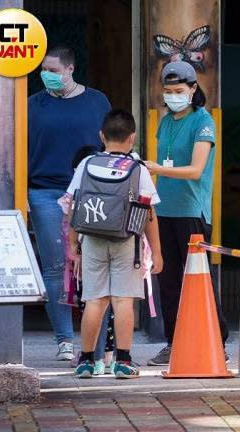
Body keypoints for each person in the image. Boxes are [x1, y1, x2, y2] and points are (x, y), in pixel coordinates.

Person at [28, 46, 111, 361]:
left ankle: (96, 348)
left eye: (53, 69)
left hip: (90, 193)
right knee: (55, 266)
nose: (47, 75)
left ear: (70, 69)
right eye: (44, 70)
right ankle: (64, 340)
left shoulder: (97, 102)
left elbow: (109, 144)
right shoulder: (32, 105)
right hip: (44, 192)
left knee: (94, 266)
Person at [143, 61, 229, 366]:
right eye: (167, 91)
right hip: (163, 210)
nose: (173, 96)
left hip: (192, 211)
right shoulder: (165, 122)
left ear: (193, 89)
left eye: (179, 91)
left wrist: (158, 169)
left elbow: (195, 170)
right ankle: (172, 341)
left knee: (199, 279)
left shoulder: (203, 122)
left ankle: (217, 340)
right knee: (166, 279)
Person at [67, 109, 162, 379]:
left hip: (92, 239)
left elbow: (74, 205)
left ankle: (85, 362)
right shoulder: (137, 168)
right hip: (126, 241)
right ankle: (123, 361)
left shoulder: (87, 164)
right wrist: (157, 251)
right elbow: (149, 215)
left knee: (94, 300)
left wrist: (73, 244)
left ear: (101, 136)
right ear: (132, 138)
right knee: (123, 301)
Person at [59, 145, 116, 374]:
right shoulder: (114, 187)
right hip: (116, 251)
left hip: (86, 255)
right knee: (113, 305)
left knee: (91, 303)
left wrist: (73, 249)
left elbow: (69, 221)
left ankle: (90, 358)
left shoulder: (72, 194)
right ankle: (114, 357)